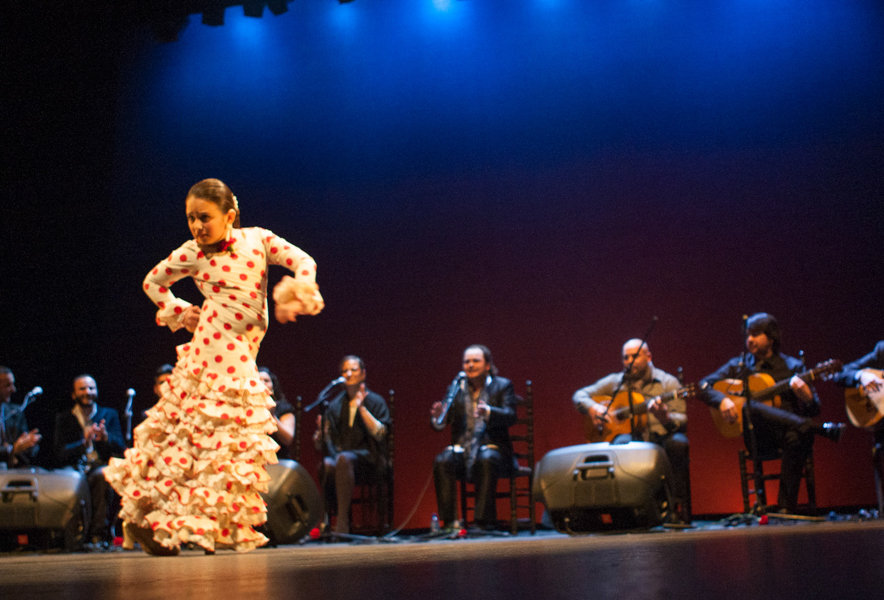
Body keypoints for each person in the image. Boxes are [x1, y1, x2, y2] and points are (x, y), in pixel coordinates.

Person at [103, 178, 324, 555]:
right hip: (216, 348)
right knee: (218, 440)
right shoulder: (193, 253)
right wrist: (180, 311)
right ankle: (195, 526)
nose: (196, 225)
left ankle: (151, 522)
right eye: (191, 218)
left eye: (204, 217)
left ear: (230, 216)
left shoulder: (258, 240)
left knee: (195, 441)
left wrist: (300, 289)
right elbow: (153, 282)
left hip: (241, 350)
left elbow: (304, 260)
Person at [701, 313, 845, 514]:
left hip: (788, 435)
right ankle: (816, 428)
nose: (749, 339)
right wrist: (722, 400)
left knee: (798, 436)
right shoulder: (739, 366)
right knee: (750, 406)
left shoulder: (793, 367)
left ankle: (785, 508)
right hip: (759, 436)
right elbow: (703, 386)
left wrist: (807, 398)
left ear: (771, 338)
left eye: (756, 334)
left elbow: (815, 409)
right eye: (748, 334)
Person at [572, 339, 691, 522]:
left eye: (634, 356)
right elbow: (579, 395)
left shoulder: (668, 383)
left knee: (679, 443)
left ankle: (676, 511)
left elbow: (682, 418)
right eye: (625, 358)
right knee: (618, 446)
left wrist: (665, 418)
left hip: (659, 438)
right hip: (631, 440)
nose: (629, 361)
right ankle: (623, 515)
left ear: (648, 356)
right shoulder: (615, 382)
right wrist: (594, 409)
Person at [431, 345, 517, 531]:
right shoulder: (456, 389)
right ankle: (449, 522)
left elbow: (511, 416)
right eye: (466, 362)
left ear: (487, 365)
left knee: (485, 459)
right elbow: (440, 424)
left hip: (495, 450)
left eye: (475, 361)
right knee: (442, 460)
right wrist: (440, 417)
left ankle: (482, 522)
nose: (470, 365)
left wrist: (489, 412)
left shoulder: (502, 385)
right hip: (465, 449)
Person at [313, 356, 390, 534]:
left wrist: (362, 409)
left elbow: (381, 434)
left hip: (369, 460)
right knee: (326, 464)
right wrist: (321, 434)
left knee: (343, 459)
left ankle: (342, 523)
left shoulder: (375, 401)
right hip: (343, 460)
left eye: (353, 370)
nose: (348, 374)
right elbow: (322, 445)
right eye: (344, 371)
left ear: (363, 374)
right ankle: (325, 520)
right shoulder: (335, 405)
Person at [54, 374, 126, 548]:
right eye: (82, 388)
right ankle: (71, 536)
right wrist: (83, 443)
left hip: (97, 466)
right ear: (74, 394)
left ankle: (98, 535)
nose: (88, 392)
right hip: (73, 470)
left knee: (103, 475)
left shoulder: (109, 415)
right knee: (71, 481)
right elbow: (59, 453)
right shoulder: (64, 418)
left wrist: (106, 438)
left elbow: (122, 448)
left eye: (91, 388)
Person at [0, 366, 41, 468]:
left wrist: (29, 445)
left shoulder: (15, 412)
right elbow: (14, 448)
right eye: (7, 385)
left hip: (14, 471)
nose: (13, 389)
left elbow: (25, 449)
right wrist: (11, 450)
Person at [258, 367, 296, 460]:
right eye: (258, 380)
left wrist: (272, 416)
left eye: (266, 380)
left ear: (273, 386)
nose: (262, 383)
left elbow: (288, 438)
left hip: (278, 459)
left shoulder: (283, 408)